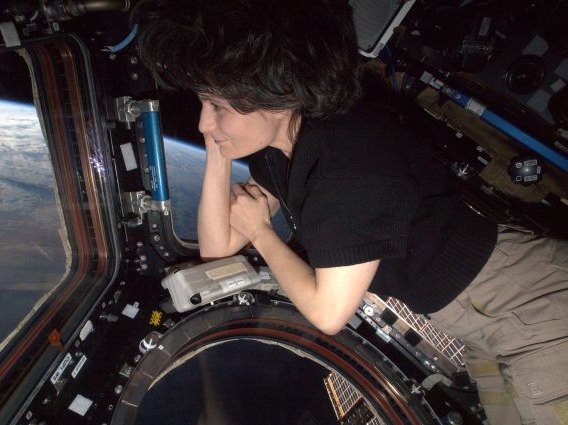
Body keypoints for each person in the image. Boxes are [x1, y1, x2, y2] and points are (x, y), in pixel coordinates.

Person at [135, 1, 568, 424]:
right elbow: (217, 250)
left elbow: (328, 313)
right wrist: (217, 148)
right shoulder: (282, 152)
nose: (202, 122)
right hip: (482, 320)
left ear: (279, 96)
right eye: (203, 103)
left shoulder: (350, 163)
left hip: (527, 303)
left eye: (217, 106)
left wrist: (262, 233)